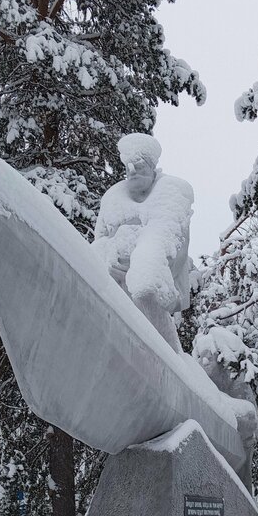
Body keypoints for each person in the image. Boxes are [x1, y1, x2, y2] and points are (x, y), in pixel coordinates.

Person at [92, 133, 193, 353]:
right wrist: (108, 258)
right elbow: (97, 244)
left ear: (152, 166)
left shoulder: (171, 192)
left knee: (155, 351)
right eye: (128, 167)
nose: (132, 171)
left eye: (139, 165)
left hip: (148, 296)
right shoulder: (112, 199)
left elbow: (172, 244)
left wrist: (141, 266)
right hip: (115, 293)